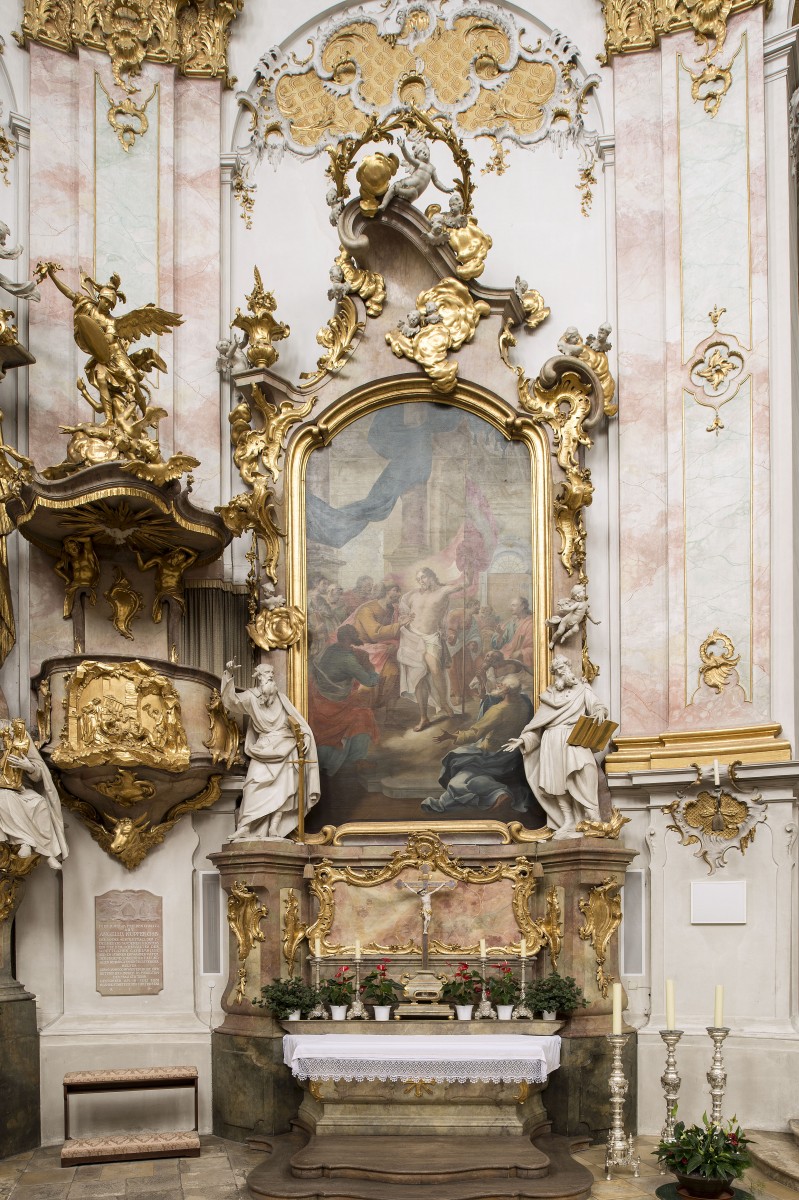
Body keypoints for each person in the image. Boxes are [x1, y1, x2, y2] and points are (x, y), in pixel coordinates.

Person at [503, 655, 608, 839]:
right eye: (557, 669)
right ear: (554, 673)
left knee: (586, 769)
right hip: (551, 740)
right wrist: (523, 740)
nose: (561, 671)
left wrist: (599, 711)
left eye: (563, 667)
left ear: (568, 668)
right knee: (556, 782)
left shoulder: (582, 690)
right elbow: (537, 726)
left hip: (574, 738)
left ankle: (593, 815)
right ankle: (567, 820)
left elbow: (598, 706)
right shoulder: (549, 697)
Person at [221, 661, 320, 840]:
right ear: (259, 677)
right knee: (252, 785)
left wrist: (305, 736)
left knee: (283, 791)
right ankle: (245, 826)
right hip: (263, 748)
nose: (271, 677)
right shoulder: (251, 697)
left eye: (272, 674)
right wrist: (228, 674)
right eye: (267, 674)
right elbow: (231, 701)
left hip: (286, 747)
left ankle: (274, 827)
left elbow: (298, 722)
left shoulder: (282, 699)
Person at [421, 677, 537, 816]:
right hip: (510, 755)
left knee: (456, 782)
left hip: (490, 755)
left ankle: (499, 792)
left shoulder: (498, 710)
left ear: (507, 690)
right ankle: (497, 794)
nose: (499, 684)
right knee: (471, 780)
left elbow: (475, 733)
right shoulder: (524, 703)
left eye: (503, 684)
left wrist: (451, 736)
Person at [398, 566, 467, 732]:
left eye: (424, 577)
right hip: (411, 638)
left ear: (431, 576)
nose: (421, 581)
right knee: (418, 677)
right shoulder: (412, 594)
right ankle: (424, 717)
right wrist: (404, 618)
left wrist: (470, 570)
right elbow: (402, 609)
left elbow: (464, 584)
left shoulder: (442, 591)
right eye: (419, 579)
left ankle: (443, 703)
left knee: (436, 670)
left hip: (430, 637)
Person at [308, 626, 380, 776]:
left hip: (319, 699)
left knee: (357, 701)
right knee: (364, 714)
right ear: (349, 639)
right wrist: (371, 669)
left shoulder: (330, 650)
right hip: (334, 705)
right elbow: (370, 681)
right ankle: (358, 759)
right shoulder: (348, 660)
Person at [0, 720, 68, 868]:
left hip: (18, 787)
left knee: (39, 802)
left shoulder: (18, 735)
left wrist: (29, 767)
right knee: (4, 797)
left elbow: (38, 773)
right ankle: (25, 840)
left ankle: (48, 852)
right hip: (4, 790)